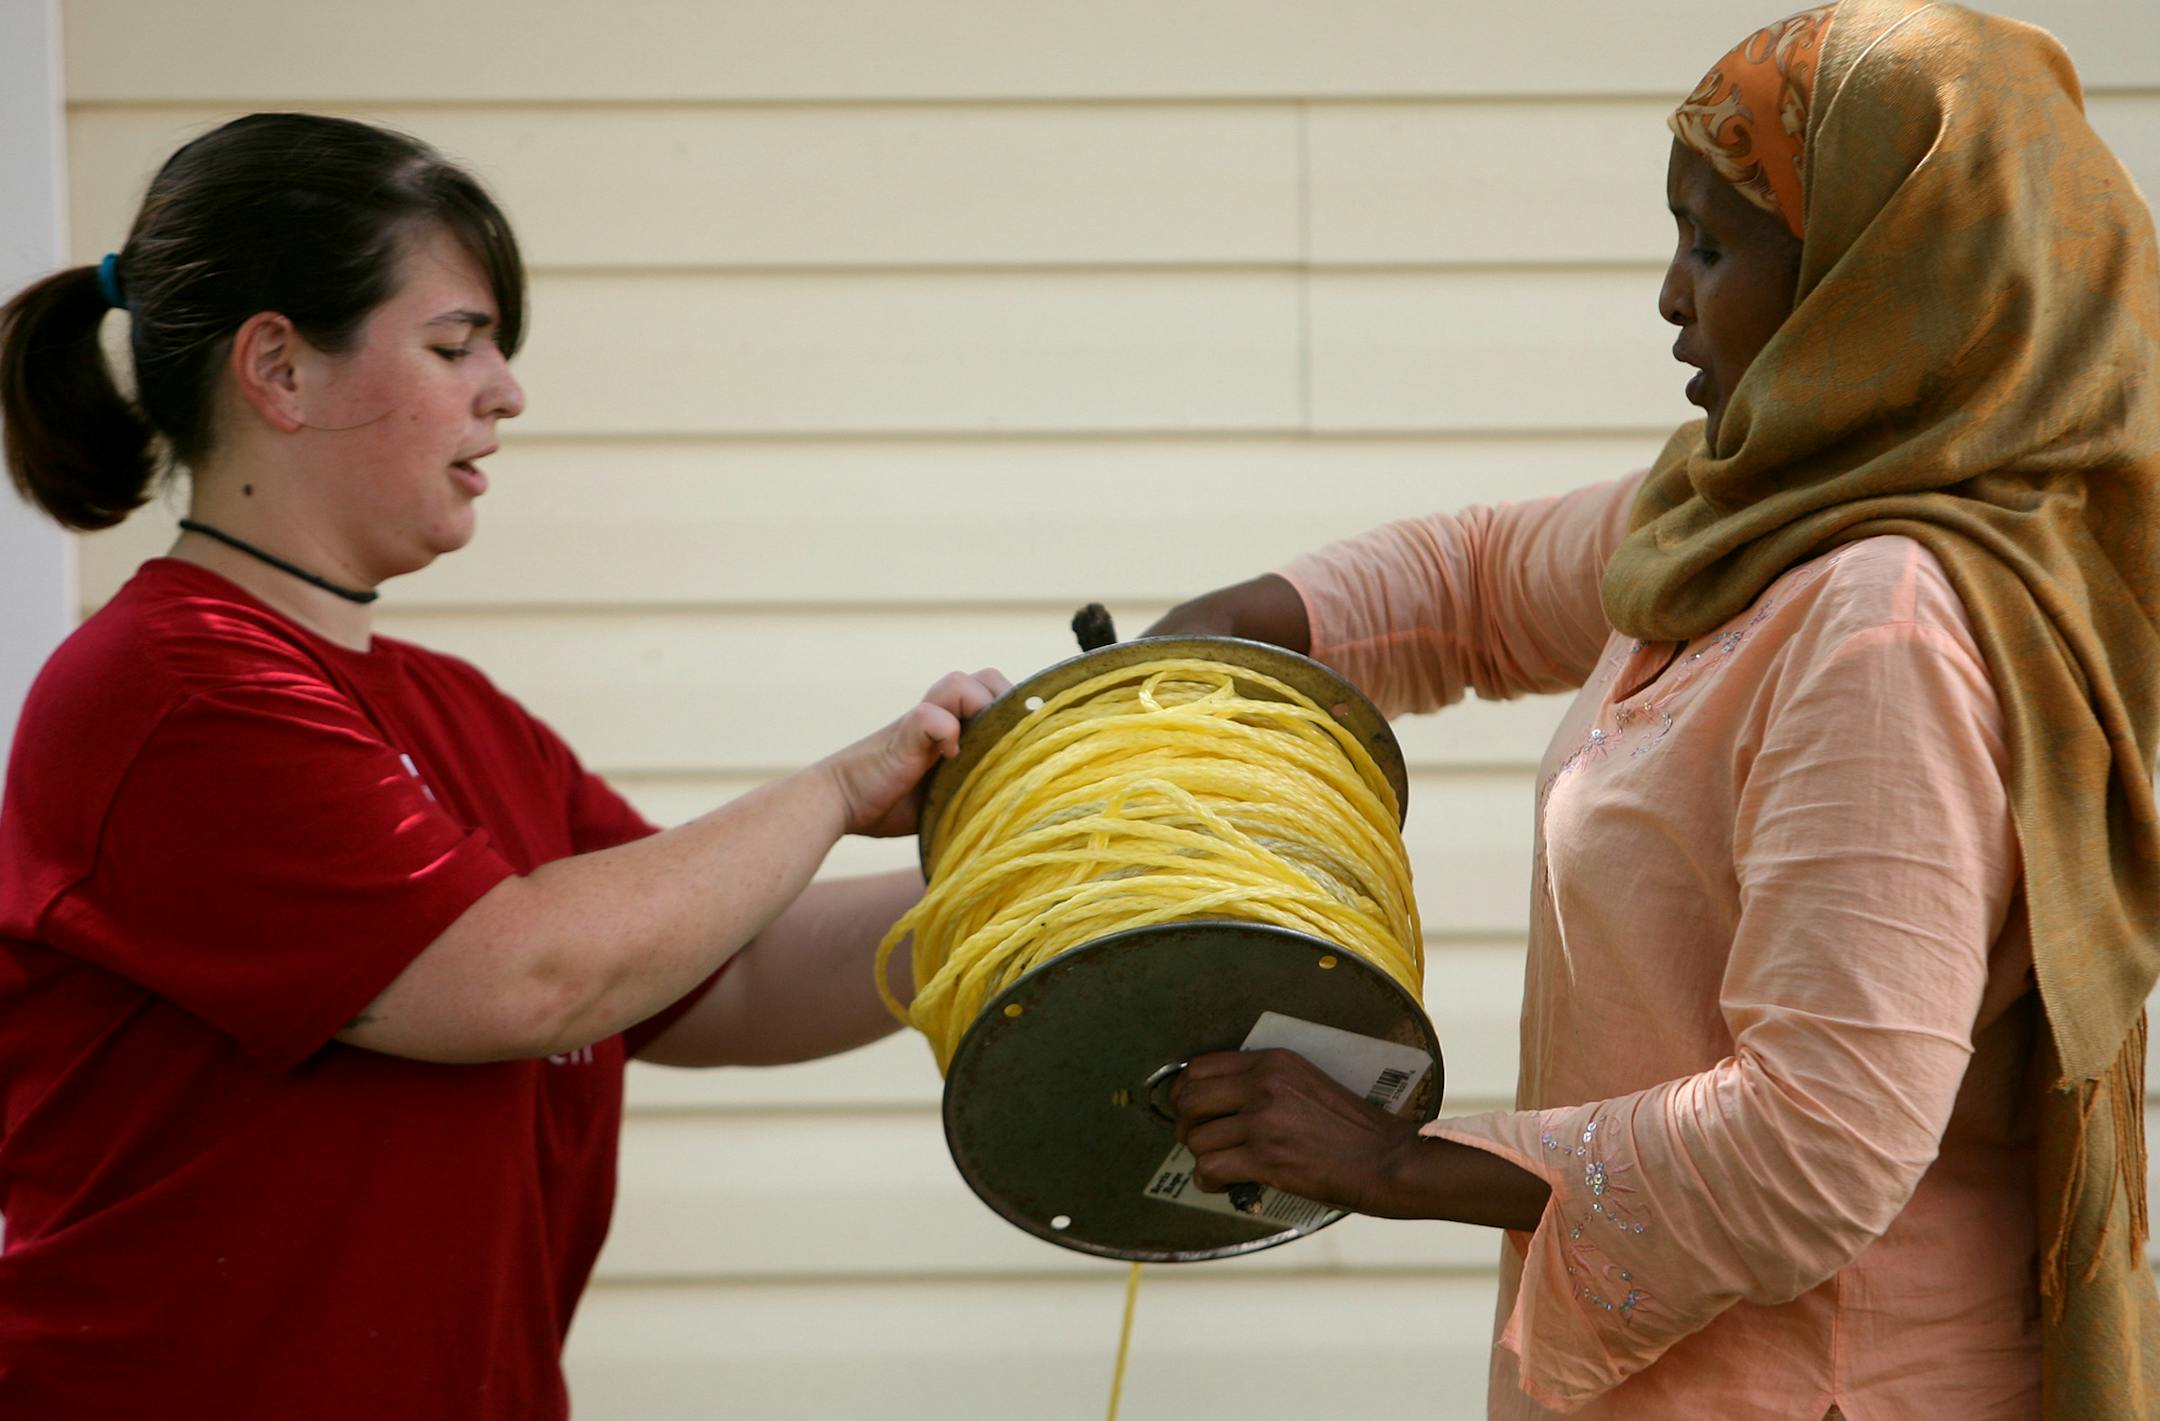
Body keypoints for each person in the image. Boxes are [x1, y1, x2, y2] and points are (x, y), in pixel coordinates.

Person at [1155, 3, 2160, 1417]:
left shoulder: (1888, 626)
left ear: (1876, 279)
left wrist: (1397, 1160)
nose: (1671, 299)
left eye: (1713, 244)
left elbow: (1819, 1144)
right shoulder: (1749, 517)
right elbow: (1481, 579)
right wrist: (1203, 642)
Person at [0, 113, 1005, 1417]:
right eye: (455, 345)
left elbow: (727, 968)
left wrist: (1044, 876)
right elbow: (523, 976)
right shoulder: (175, 692)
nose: (506, 391)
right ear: (278, 368)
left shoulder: (457, 711)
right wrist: (833, 789)